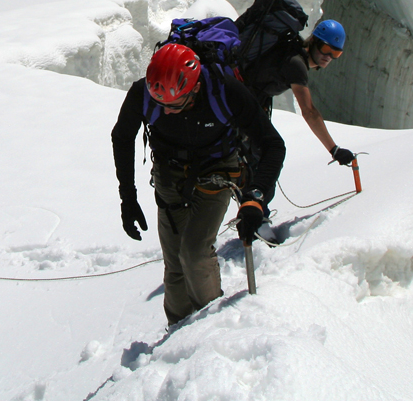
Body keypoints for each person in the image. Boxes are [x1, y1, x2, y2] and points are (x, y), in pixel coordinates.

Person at [111, 43, 286, 325]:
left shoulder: (224, 90)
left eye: (175, 105)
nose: (166, 113)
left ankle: (212, 324)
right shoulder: (143, 93)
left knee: (193, 253)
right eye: (161, 105)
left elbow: (273, 145)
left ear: (194, 89)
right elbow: (121, 137)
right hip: (169, 176)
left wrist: (256, 197)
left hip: (216, 173)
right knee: (175, 264)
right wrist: (127, 198)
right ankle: (178, 331)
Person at [239, 18, 355, 167]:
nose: (329, 56)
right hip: (241, 102)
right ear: (313, 40)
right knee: (272, 154)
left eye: (335, 53)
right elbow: (309, 112)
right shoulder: (296, 64)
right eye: (326, 49)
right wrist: (334, 149)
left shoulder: (293, 51)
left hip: (246, 101)